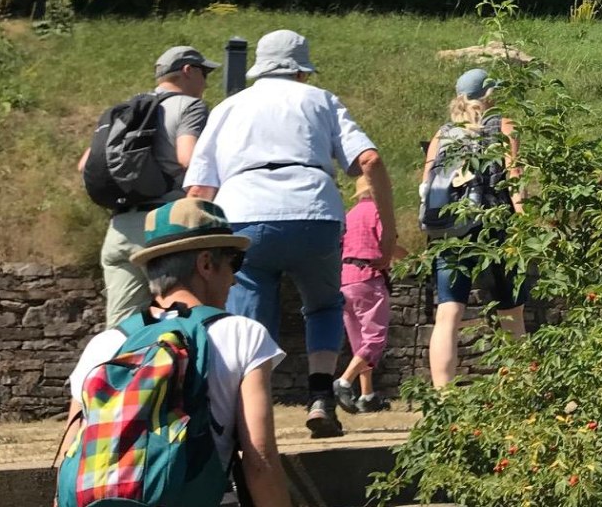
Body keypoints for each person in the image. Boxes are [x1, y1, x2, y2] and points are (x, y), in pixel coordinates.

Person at [184, 29, 396, 438]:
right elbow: (369, 160)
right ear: (301, 70)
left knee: (250, 315)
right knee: (323, 306)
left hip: (245, 214)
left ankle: (250, 410)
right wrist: (388, 230)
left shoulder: (228, 108)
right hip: (314, 212)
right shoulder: (320, 100)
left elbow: (198, 191)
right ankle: (320, 398)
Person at [62, 199, 290, 507]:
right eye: (233, 263)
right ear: (206, 264)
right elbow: (259, 460)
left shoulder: (104, 343)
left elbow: (71, 455)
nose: (234, 278)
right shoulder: (242, 334)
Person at [79, 45, 218, 327]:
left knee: (123, 327)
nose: (206, 83)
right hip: (164, 228)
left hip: (120, 229)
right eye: (204, 73)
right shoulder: (190, 106)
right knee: (184, 317)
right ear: (188, 71)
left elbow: (85, 165)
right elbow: (187, 158)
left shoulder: (127, 109)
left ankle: (122, 357)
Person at [424, 68, 528, 388]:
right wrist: (525, 222)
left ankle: (443, 397)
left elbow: (427, 187)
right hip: (495, 226)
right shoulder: (503, 125)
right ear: (489, 95)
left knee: (448, 314)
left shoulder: (442, 134)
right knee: (511, 314)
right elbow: (514, 179)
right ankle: (521, 390)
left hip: (449, 230)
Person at [331, 187, 392, 414]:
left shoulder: (349, 215)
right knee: (375, 339)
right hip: (369, 278)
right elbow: (387, 244)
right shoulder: (378, 212)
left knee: (360, 343)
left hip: (346, 280)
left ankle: (367, 395)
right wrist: (414, 258)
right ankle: (344, 382)